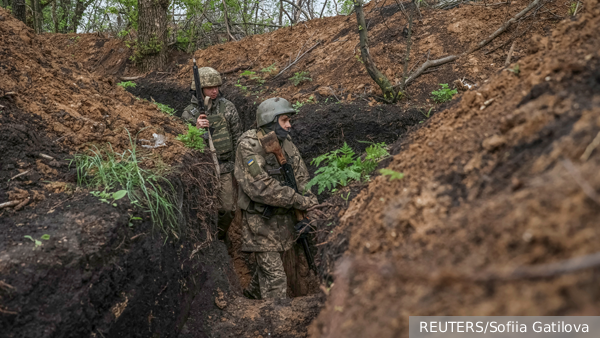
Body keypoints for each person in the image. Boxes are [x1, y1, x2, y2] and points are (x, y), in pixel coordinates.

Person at [234, 97, 318, 299]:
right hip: (260, 223)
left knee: (268, 271)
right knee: (276, 280)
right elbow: (260, 187)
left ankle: (251, 298)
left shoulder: (286, 143)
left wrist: (310, 205)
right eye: (285, 120)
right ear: (270, 121)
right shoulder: (249, 146)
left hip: (285, 221)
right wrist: (300, 201)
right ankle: (274, 325)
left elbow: (301, 177)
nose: (290, 125)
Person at [182, 67, 242, 240]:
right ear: (199, 89)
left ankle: (220, 238)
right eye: (210, 88)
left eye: (216, 87)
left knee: (227, 209)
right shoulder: (188, 114)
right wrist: (195, 128)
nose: (214, 91)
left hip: (225, 167)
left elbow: (237, 135)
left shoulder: (227, 107)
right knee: (204, 210)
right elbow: (183, 145)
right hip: (201, 171)